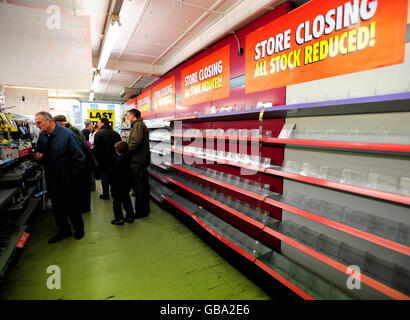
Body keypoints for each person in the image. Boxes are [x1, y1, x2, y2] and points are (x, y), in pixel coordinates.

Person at [34, 111, 86, 243]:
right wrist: (38, 157)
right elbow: (38, 152)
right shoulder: (43, 136)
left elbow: (79, 158)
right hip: (52, 179)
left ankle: (79, 229)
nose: (37, 125)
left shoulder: (68, 135)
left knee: (72, 206)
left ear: (49, 121)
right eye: (36, 123)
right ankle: (64, 230)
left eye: (39, 122)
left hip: (68, 179)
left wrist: (72, 177)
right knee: (57, 208)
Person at [52, 115, 97, 213]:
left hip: (84, 162)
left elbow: (79, 148)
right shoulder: (70, 129)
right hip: (85, 161)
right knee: (84, 187)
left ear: (60, 123)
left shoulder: (69, 131)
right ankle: (84, 207)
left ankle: (84, 208)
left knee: (83, 187)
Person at [127, 109, 150, 219]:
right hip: (141, 160)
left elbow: (135, 141)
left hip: (138, 160)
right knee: (144, 186)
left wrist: (126, 149)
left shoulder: (137, 125)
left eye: (128, 116)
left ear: (133, 116)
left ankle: (140, 212)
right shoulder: (140, 125)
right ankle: (145, 209)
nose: (127, 118)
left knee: (138, 187)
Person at [93, 117, 121, 200]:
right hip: (114, 159)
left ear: (103, 123)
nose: (97, 124)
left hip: (103, 160)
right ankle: (114, 193)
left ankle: (106, 194)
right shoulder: (116, 133)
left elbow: (96, 149)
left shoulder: (98, 134)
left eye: (98, 123)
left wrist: (97, 160)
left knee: (104, 177)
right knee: (113, 177)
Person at [110, 141, 134, 225]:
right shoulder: (128, 158)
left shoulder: (119, 160)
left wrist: (112, 186)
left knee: (116, 202)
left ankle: (119, 218)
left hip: (118, 185)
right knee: (127, 200)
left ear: (117, 150)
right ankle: (130, 216)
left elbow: (115, 174)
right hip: (126, 184)